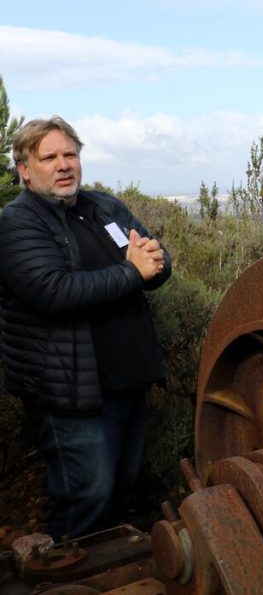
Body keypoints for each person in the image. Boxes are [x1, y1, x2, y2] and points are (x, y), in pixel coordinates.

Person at [0, 116, 171, 539]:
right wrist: (134, 272)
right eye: (50, 157)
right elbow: (52, 291)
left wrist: (156, 262)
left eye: (70, 154)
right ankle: (63, 574)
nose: (64, 165)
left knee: (120, 489)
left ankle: (105, 574)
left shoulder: (104, 207)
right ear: (24, 169)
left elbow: (156, 260)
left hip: (127, 379)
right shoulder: (17, 222)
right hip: (71, 391)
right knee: (87, 498)